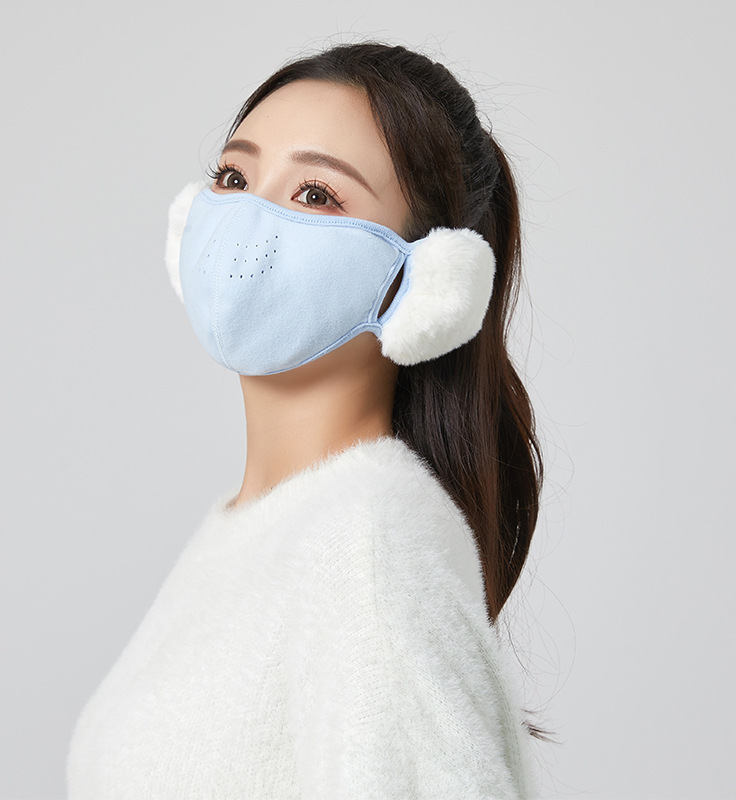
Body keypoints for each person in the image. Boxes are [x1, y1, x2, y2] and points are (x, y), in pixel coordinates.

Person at [66, 42, 545, 799]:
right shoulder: (262, 531)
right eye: (234, 177)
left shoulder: (367, 549)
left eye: (316, 194)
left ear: (429, 285)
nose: (247, 217)